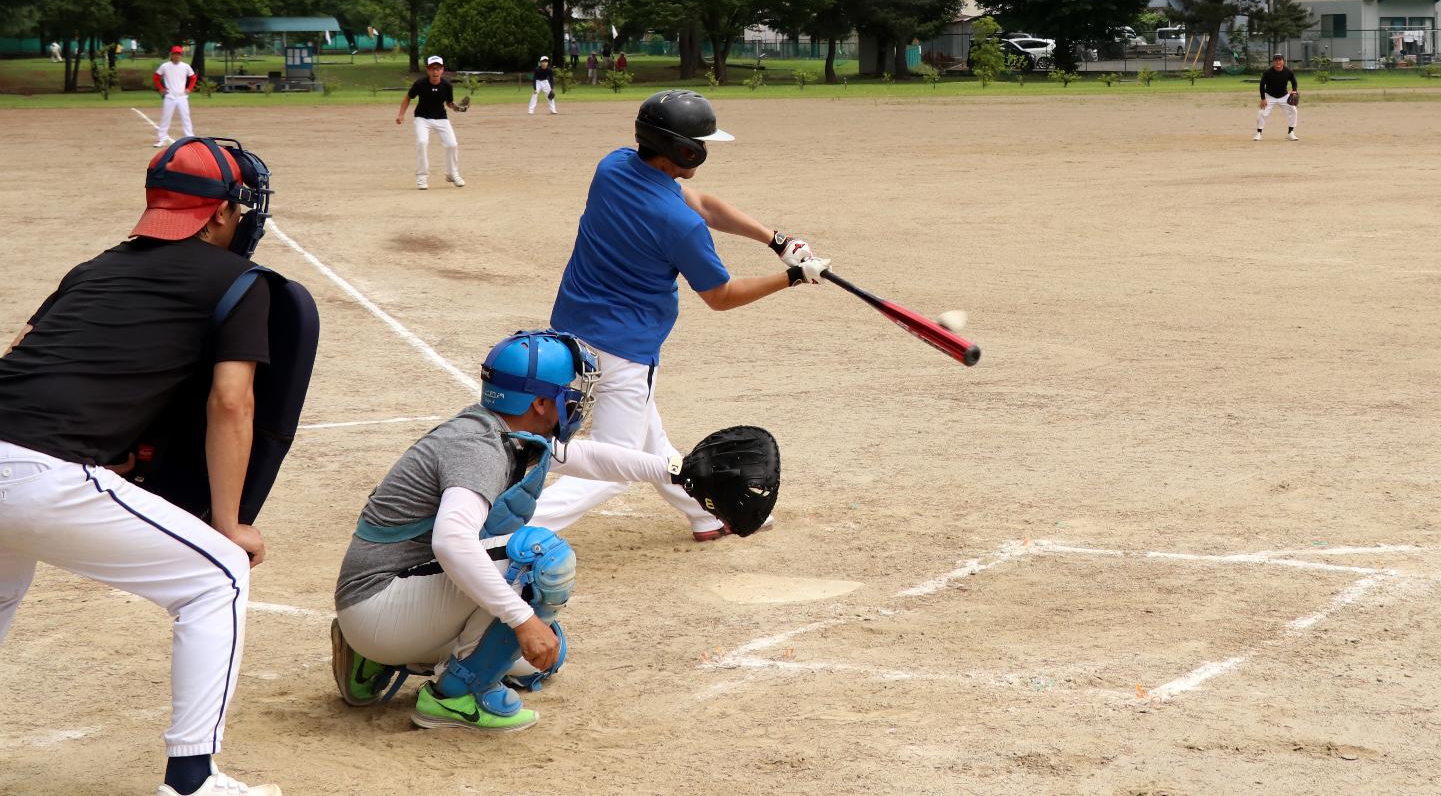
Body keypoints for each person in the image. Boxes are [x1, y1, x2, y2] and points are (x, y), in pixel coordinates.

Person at [0, 138, 299, 796]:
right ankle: (192, 781)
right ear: (220, 215)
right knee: (216, 576)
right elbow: (230, 402)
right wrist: (228, 521)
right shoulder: (238, 281)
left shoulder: (93, 268)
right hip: (42, 471)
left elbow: (22, 347)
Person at [335, 330, 680, 732]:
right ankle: (453, 698)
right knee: (540, 561)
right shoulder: (479, 448)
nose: (576, 401)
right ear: (538, 402)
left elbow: (588, 457)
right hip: (380, 604)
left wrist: (677, 472)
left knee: (543, 657)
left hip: (390, 601)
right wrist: (522, 620)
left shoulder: (501, 429)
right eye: (568, 391)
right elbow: (451, 541)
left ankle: (377, 659)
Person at [528, 91, 825, 540]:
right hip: (625, 355)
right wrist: (793, 279)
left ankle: (708, 513)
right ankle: (500, 534)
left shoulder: (612, 167)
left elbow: (702, 203)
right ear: (685, 150)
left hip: (570, 336)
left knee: (651, 440)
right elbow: (721, 296)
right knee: (616, 468)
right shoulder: (678, 224)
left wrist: (776, 240)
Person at [395, 56, 469, 191]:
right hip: (422, 118)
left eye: (438, 68)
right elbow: (408, 97)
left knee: (452, 144)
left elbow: (449, 103)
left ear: (442, 70)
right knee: (422, 142)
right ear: (427, 70)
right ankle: (421, 177)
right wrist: (401, 114)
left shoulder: (447, 85)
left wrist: (458, 108)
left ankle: (452, 174)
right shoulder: (420, 84)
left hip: (441, 118)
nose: (435, 71)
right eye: (432, 68)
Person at [153, 45, 199, 147]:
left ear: (181, 55)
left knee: (186, 118)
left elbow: (193, 78)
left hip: (182, 97)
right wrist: (161, 89)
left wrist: (189, 89)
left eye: (179, 54)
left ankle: (190, 138)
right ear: (172, 55)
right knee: (166, 118)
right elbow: (156, 77)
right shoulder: (165, 66)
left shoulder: (185, 66)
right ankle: (161, 138)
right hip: (170, 96)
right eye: (175, 54)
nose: (177, 56)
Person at [1255, 54, 1299, 141]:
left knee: (1293, 110)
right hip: (1270, 96)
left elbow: (1294, 82)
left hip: (1284, 96)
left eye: (1280, 60)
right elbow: (1262, 85)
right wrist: (1263, 98)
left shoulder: (1288, 72)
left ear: (1283, 61)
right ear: (1273, 62)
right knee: (1262, 113)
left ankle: (1290, 133)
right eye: (1276, 60)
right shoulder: (1268, 72)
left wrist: (1294, 91)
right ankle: (1259, 133)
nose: (1278, 62)